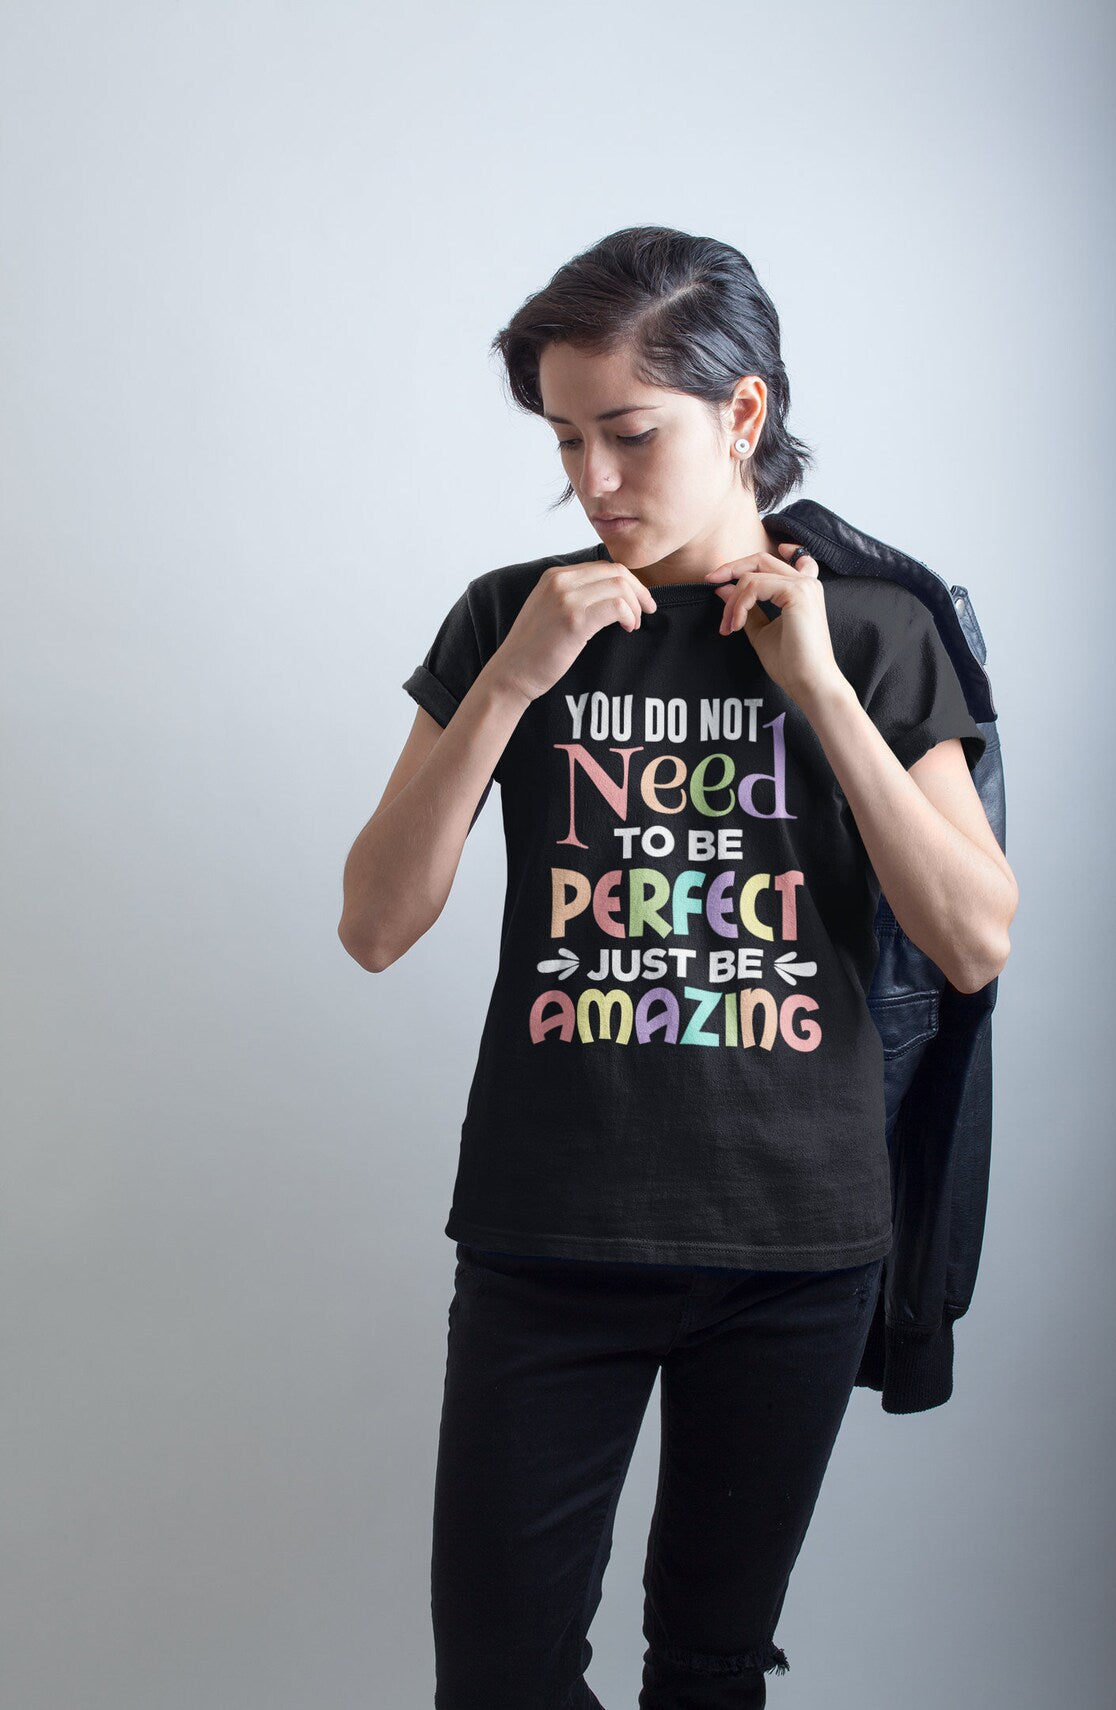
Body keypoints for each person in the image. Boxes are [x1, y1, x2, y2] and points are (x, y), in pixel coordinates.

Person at [338, 226, 1018, 1710]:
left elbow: (973, 938)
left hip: (795, 1246)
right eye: (564, 439)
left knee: (710, 1671)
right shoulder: (508, 618)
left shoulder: (879, 629)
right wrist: (512, 682)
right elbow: (376, 925)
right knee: (501, 1677)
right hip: (547, 1235)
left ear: (743, 413)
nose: (592, 480)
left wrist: (818, 687)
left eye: (629, 432)